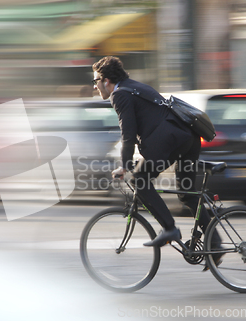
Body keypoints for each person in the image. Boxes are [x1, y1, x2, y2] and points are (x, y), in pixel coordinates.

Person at [92, 56, 222, 262]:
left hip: (167, 141)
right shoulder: (136, 87)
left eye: (95, 81)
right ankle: (215, 245)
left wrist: (124, 166)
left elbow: (128, 133)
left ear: (106, 81)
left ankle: (169, 228)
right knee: (187, 194)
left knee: (138, 181)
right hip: (188, 137)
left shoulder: (119, 95)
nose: (95, 86)